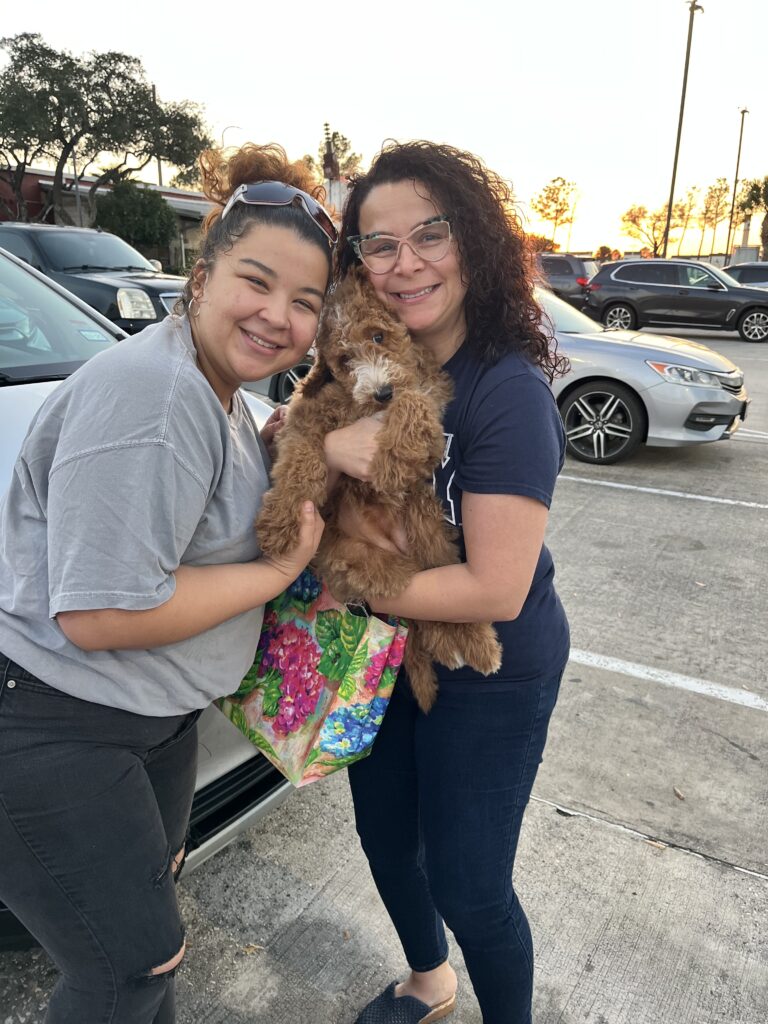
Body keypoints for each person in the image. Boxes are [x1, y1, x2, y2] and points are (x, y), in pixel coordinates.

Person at [0, 143, 332, 1024]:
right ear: (202, 272)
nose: (277, 316)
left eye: (305, 302)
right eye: (256, 281)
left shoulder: (215, 387)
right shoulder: (153, 391)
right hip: (59, 723)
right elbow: (104, 612)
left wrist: (275, 452)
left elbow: (188, 515)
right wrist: (278, 571)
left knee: (147, 958)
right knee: (127, 971)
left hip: (146, 720)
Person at [327, 141, 571, 1024]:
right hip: (389, 654)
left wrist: (347, 584)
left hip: (490, 666)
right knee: (388, 840)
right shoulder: (373, 366)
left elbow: (493, 591)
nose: (405, 265)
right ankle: (429, 982)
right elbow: (315, 449)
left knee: (469, 884)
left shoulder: (505, 392)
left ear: (473, 240)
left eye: (430, 235)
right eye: (379, 245)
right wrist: (320, 444)